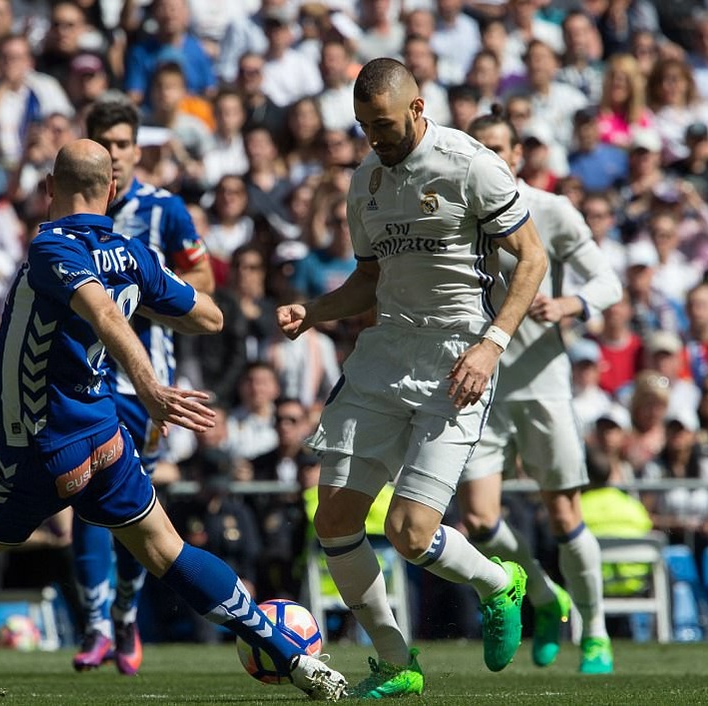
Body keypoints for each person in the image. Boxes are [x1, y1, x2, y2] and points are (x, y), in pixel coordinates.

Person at [0, 140, 347, 701]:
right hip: (106, 437)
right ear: (110, 190)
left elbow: (101, 311)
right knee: (167, 552)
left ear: (49, 189)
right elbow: (210, 315)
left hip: (41, 448)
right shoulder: (132, 253)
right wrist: (144, 294)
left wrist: (151, 386)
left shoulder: (50, 246)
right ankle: (295, 659)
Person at [276, 58, 548, 698]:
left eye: (387, 124)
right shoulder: (365, 179)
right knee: (335, 520)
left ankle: (495, 582)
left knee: (408, 531)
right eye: (365, 127)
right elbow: (368, 279)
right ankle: (398, 663)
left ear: (419, 108)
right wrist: (313, 311)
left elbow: (532, 257)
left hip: (458, 355)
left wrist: (492, 345)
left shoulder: (470, 164)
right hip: (382, 354)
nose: (376, 138)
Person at [459, 108, 622, 674]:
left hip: (541, 379)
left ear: (518, 154)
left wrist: (571, 304)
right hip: (480, 381)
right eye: (481, 146)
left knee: (563, 510)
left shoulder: (550, 211)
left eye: (500, 147)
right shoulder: (460, 213)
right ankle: (545, 600)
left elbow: (608, 279)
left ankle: (595, 632)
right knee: (479, 520)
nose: (493, 156)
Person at [71, 96, 214, 675]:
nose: (118, 156)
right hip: (84, 377)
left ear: (138, 150)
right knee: (83, 492)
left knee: (136, 501)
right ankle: (97, 622)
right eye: (106, 145)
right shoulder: (66, 213)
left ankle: (127, 613)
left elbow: (204, 281)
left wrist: (146, 293)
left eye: (125, 145)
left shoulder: (166, 210)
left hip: (145, 384)